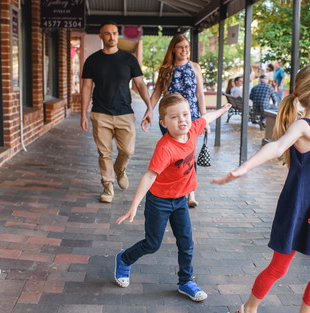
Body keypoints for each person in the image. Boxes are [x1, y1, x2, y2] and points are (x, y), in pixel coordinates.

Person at [212, 62, 310, 313]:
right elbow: (276, 146)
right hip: (297, 210)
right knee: (279, 267)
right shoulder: (304, 126)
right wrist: (244, 167)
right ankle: (248, 309)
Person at [114, 94, 232, 302]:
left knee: (186, 242)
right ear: (164, 123)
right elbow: (150, 176)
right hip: (159, 201)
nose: (182, 120)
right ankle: (124, 259)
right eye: (175, 117)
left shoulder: (193, 129)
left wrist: (222, 111)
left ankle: (185, 281)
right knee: (152, 244)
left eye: (185, 114)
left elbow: (207, 118)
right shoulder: (165, 147)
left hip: (180, 201)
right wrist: (134, 205)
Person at [81, 21, 152, 203]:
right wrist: (83, 113)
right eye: (107, 33)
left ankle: (120, 169)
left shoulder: (129, 59)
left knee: (127, 151)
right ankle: (107, 186)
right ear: (101, 36)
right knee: (104, 153)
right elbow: (87, 87)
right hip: (100, 112)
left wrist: (149, 107)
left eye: (114, 33)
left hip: (124, 113)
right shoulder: (92, 60)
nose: (111, 37)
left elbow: (140, 84)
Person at [147, 34, 207, 207]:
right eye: (181, 47)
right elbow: (157, 92)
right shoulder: (166, 68)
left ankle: (190, 193)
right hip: (171, 118)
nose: (185, 50)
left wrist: (204, 119)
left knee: (189, 156)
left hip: (192, 117)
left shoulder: (195, 67)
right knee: (172, 157)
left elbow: (200, 94)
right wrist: (149, 111)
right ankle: (172, 188)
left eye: (187, 47)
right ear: (173, 49)